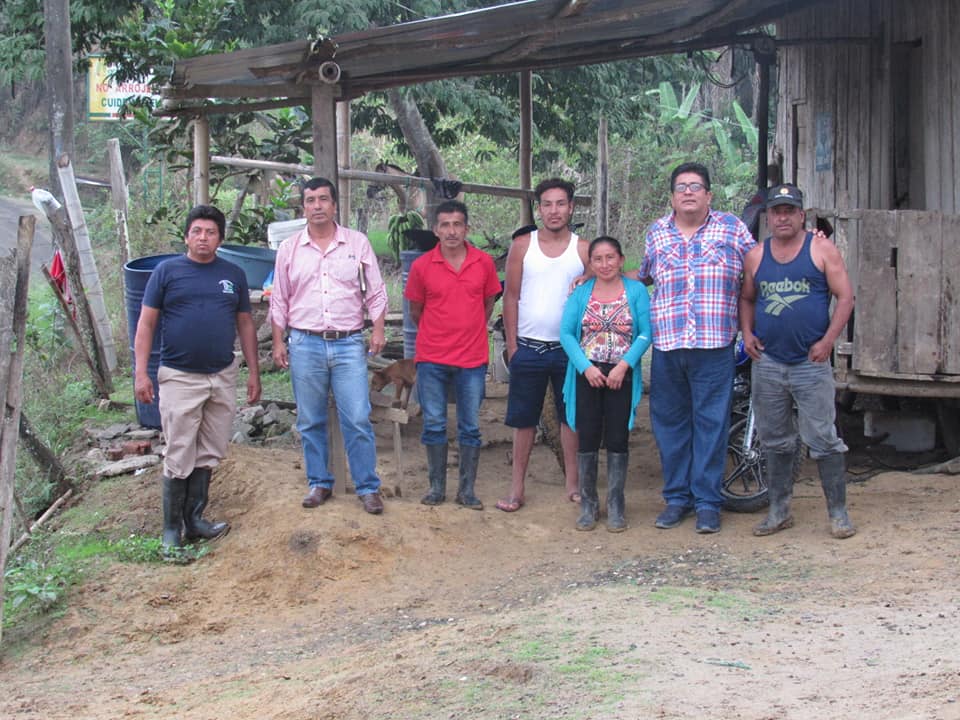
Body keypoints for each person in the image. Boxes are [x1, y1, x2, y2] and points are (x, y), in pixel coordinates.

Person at [134, 204, 261, 553]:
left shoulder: (233, 274)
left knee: (209, 450)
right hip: (179, 376)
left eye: (211, 232)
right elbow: (146, 323)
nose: (203, 238)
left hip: (221, 375)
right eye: (197, 232)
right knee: (179, 449)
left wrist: (254, 372)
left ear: (220, 238)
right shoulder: (166, 272)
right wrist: (141, 372)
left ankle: (195, 521)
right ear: (187, 236)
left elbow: (245, 324)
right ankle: (170, 530)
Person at [636, 162, 754, 534]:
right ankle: (677, 499)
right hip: (668, 345)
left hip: (715, 344)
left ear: (709, 195)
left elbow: (760, 266)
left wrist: (807, 241)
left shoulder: (731, 228)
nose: (688, 192)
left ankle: (707, 504)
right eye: (681, 187)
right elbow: (643, 276)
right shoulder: (657, 232)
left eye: (696, 186)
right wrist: (595, 274)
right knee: (670, 425)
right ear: (672, 197)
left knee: (711, 424)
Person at [739, 183, 856, 539]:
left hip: (810, 361)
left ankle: (838, 514)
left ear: (801, 215)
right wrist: (747, 333)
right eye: (776, 212)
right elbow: (747, 298)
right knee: (775, 439)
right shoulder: (756, 256)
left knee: (823, 437)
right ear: (768, 217)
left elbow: (845, 297)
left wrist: (828, 341)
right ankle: (779, 511)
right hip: (768, 362)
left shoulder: (821, 249)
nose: (783, 218)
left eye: (789, 211)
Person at [270, 177, 388, 515]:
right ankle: (319, 482)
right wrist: (278, 341)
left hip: (348, 343)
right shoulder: (290, 248)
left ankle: (367, 487)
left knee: (358, 417)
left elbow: (376, 291)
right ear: (303, 207)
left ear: (335, 205)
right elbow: (280, 298)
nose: (317, 206)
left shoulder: (356, 243)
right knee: (310, 419)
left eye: (323, 199)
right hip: (304, 343)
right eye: (310, 200)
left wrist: (378, 329)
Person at [498, 178, 590, 512]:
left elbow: (599, 287)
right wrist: (512, 346)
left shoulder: (583, 249)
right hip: (528, 347)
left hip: (569, 350)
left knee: (571, 417)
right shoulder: (523, 245)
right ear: (539, 209)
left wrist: (589, 276)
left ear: (571, 208)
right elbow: (511, 296)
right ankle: (516, 489)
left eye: (560, 204)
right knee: (523, 419)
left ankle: (573, 485)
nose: (554, 211)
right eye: (547, 204)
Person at [404, 200, 502, 509]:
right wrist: (438, 334)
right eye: (445, 225)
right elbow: (416, 311)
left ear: (466, 228)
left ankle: (466, 491)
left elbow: (488, 303)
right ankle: (436, 488)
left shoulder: (483, 263)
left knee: (470, 426)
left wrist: (468, 328)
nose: (451, 231)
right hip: (432, 357)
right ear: (435, 230)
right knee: (434, 423)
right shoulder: (422, 266)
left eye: (457, 224)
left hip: (472, 358)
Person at [559, 237, 652, 532]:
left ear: (621, 260)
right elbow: (566, 334)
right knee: (587, 436)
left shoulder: (636, 291)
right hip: (588, 374)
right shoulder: (580, 293)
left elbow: (646, 333)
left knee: (617, 437)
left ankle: (615, 503)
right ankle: (588, 504)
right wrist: (585, 368)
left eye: (610, 257)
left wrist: (624, 366)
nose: (604, 264)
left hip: (621, 376)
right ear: (590, 264)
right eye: (597, 259)